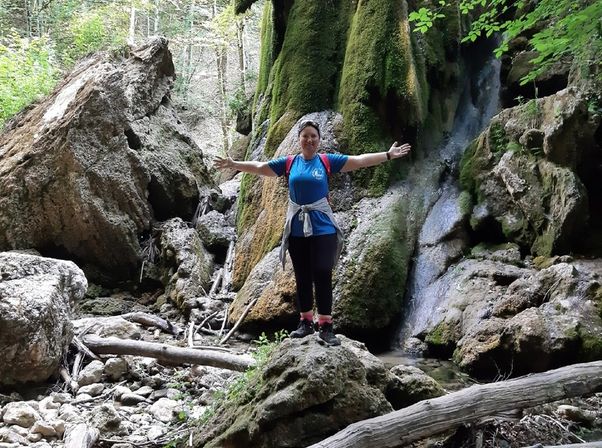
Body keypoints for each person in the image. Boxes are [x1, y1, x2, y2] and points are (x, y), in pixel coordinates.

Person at [214, 120, 411, 346]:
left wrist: (388, 155)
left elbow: (358, 160)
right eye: (305, 136)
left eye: (313, 136)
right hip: (297, 229)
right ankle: (305, 322)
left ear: (319, 140)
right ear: (299, 139)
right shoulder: (290, 163)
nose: (309, 140)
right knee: (302, 275)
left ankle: (326, 325)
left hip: (323, 227)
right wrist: (234, 164)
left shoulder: (326, 161)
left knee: (322, 273)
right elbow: (261, 167)